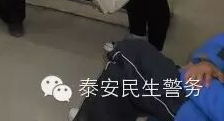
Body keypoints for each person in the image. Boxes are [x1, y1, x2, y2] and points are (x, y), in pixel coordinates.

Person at [68, 34, 224, 121]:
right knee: (127, 73)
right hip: (205, 96)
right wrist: (208, 62)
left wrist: (194, 79)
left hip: (201, 103)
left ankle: (96, 114)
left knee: (130, 57)